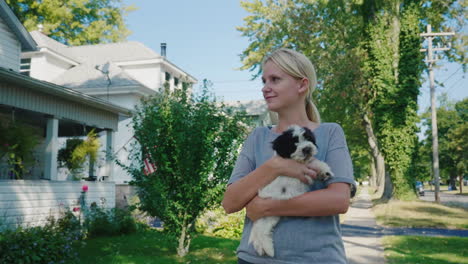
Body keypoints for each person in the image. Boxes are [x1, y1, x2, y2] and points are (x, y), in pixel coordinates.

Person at [222, 48, 356, 264]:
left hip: (318, 259)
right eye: (264, 81)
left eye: (275, 79)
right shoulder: (257, 137)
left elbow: (339, 200)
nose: (266, 88)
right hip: (253, 259)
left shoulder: (330, 132)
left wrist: (267, 206)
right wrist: (275, 166)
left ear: (302, 85)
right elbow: (230, 202)